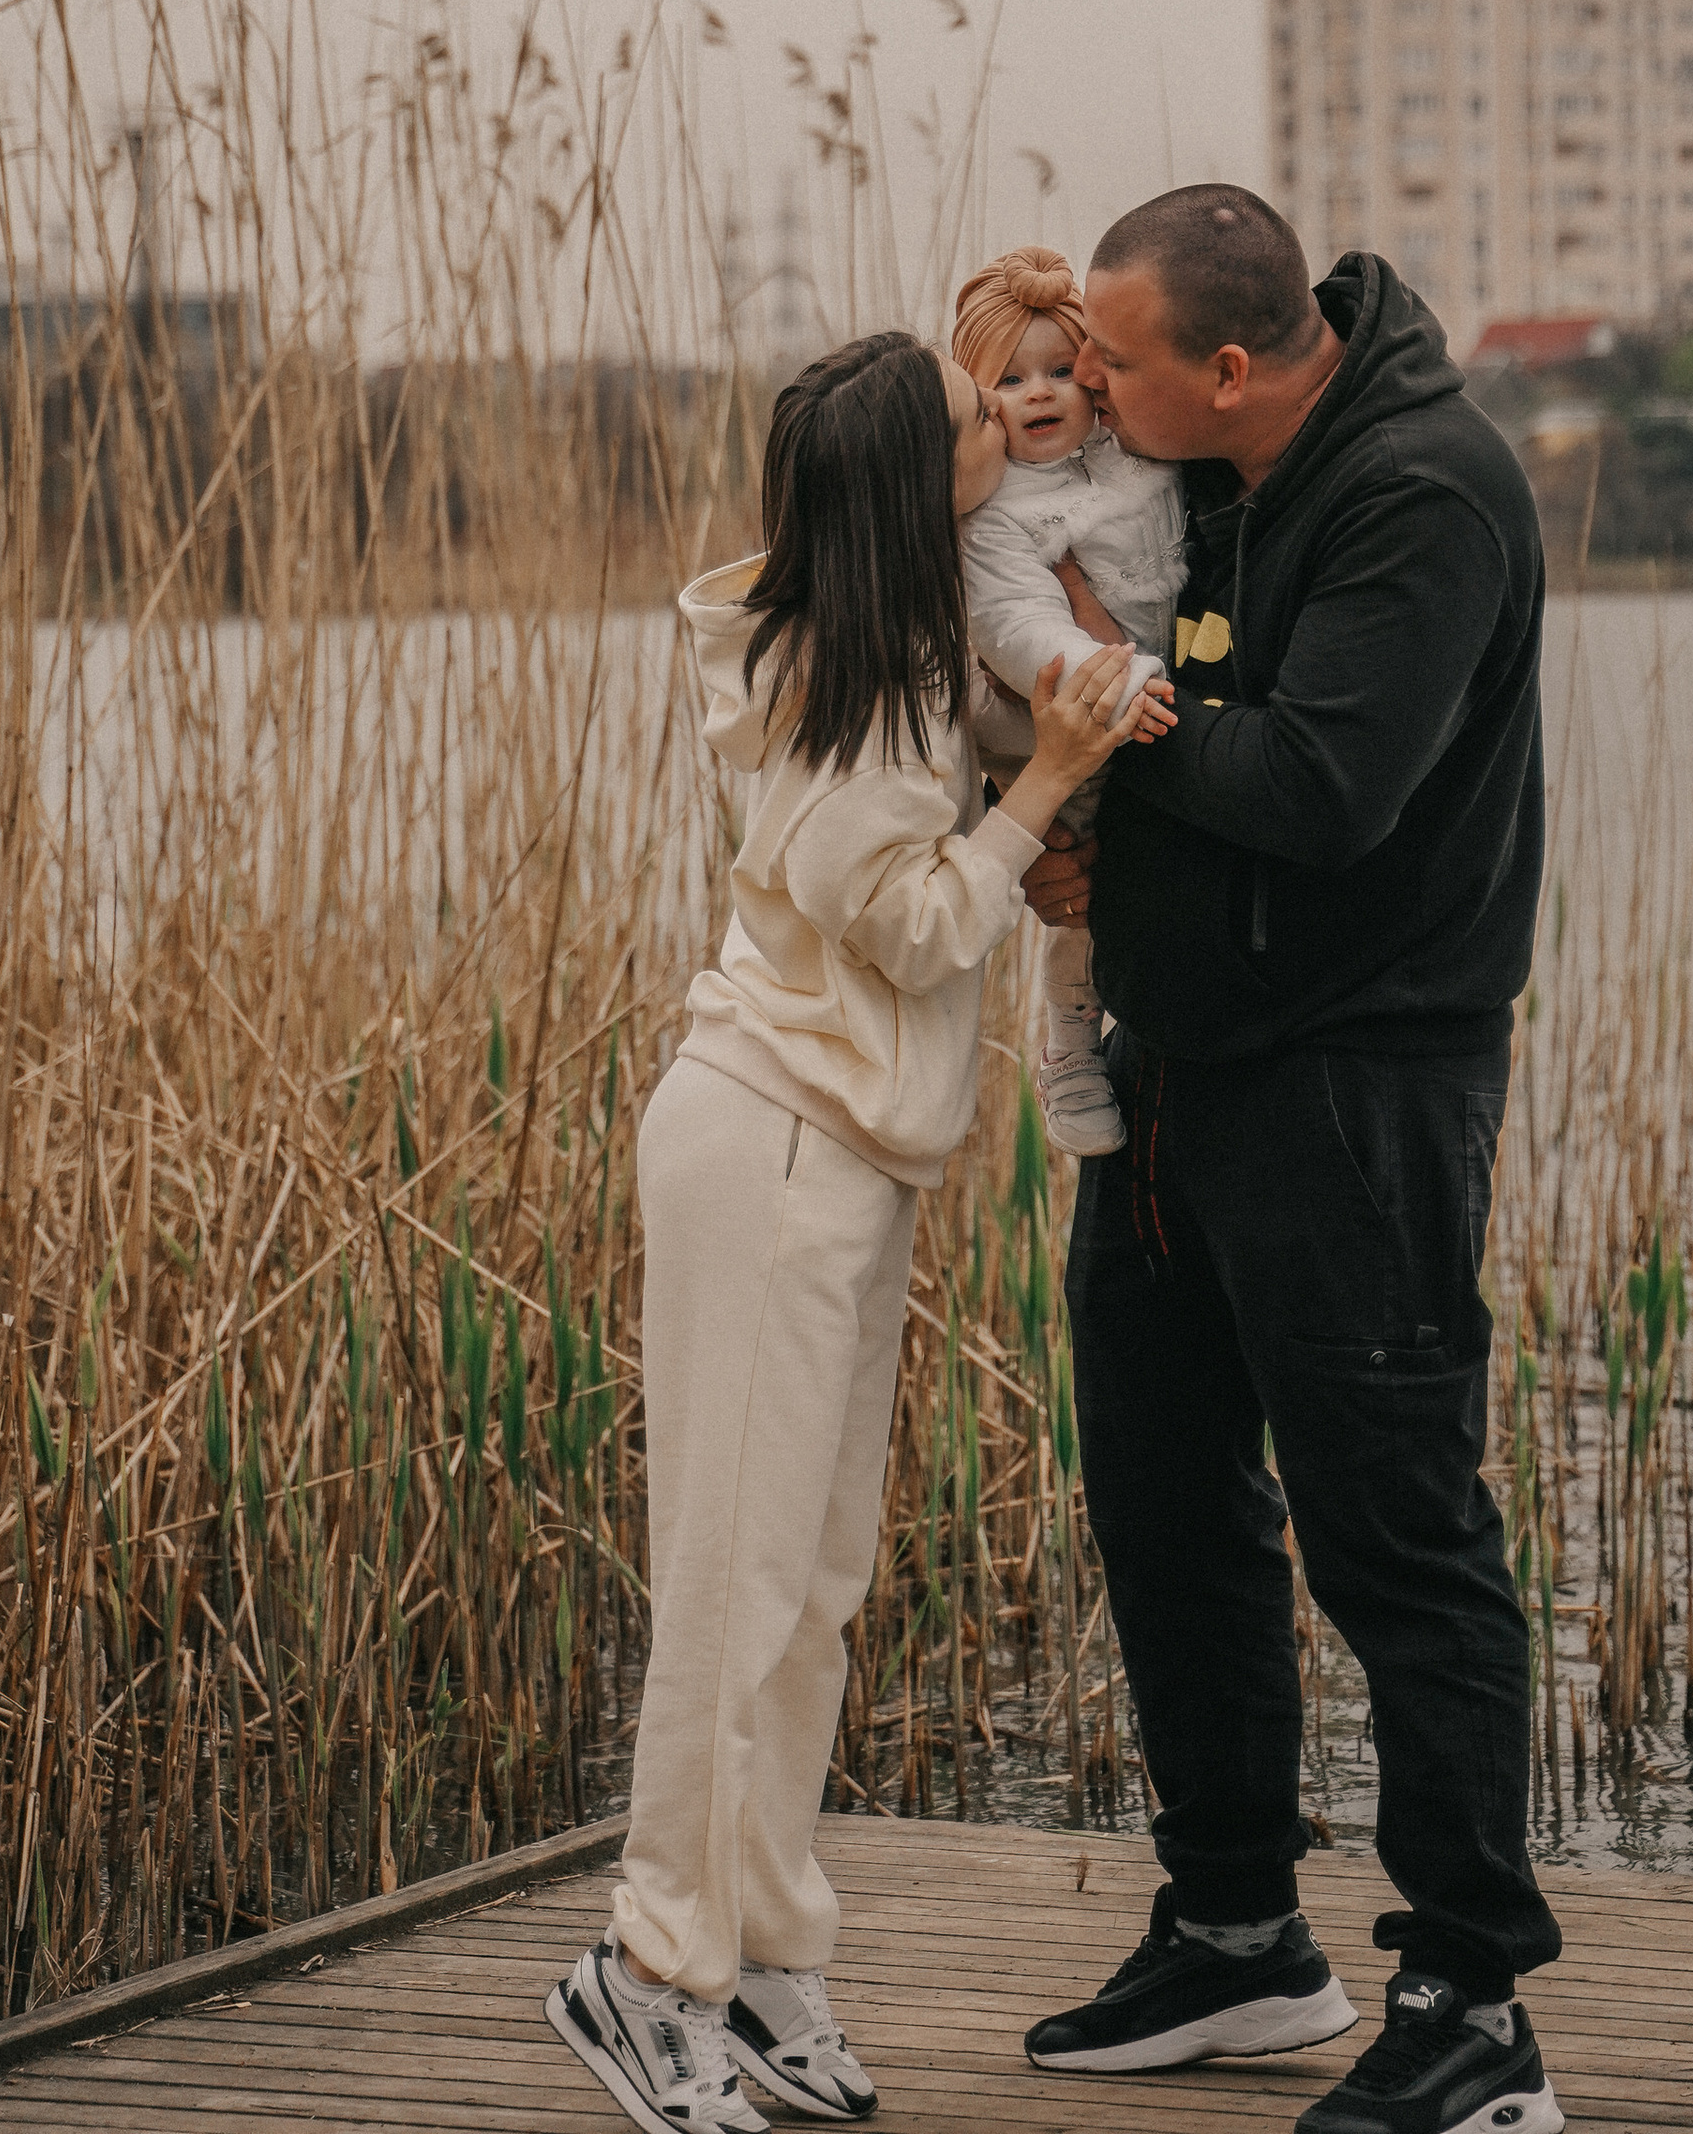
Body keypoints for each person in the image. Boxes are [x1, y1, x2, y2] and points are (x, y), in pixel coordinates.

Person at [547, 327, 1156, 2134]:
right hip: (772, 1147)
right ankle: (648, 1969)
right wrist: (1036, 793)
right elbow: (900, 922)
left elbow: (979, 755)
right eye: (979, 412)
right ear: (919, 477)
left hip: (844, 1155)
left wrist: (1054, 711)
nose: (1006, 415)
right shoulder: (843, 683)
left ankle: (764, 1953)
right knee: (733, 1591)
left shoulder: (890, 649)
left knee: (809, 1596)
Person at [1019, 188, 1565, 2134]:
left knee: (1396, 1538)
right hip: (1172, 1075)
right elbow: (1194, 754)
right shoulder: (1201, 483)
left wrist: (1109, 687)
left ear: (1225, 367)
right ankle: (1241, 1935)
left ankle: (1473, 2010)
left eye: (1113, 357)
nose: (1084, 380)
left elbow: (1320, 792)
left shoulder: (1419, 492)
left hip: (1352, 1091)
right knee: (1163, 1506)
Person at [950, 244, 1184, 1155]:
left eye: (1057, 371)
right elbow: (1017, 627)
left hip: (1169, 705)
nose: (1038, 393)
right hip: (1087, 720)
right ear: (977, 403)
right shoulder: (995, 517)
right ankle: (1072, 1047)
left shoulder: (1141, 463)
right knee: (1077, 887)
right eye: (1007, 380)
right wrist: (1112, 676)